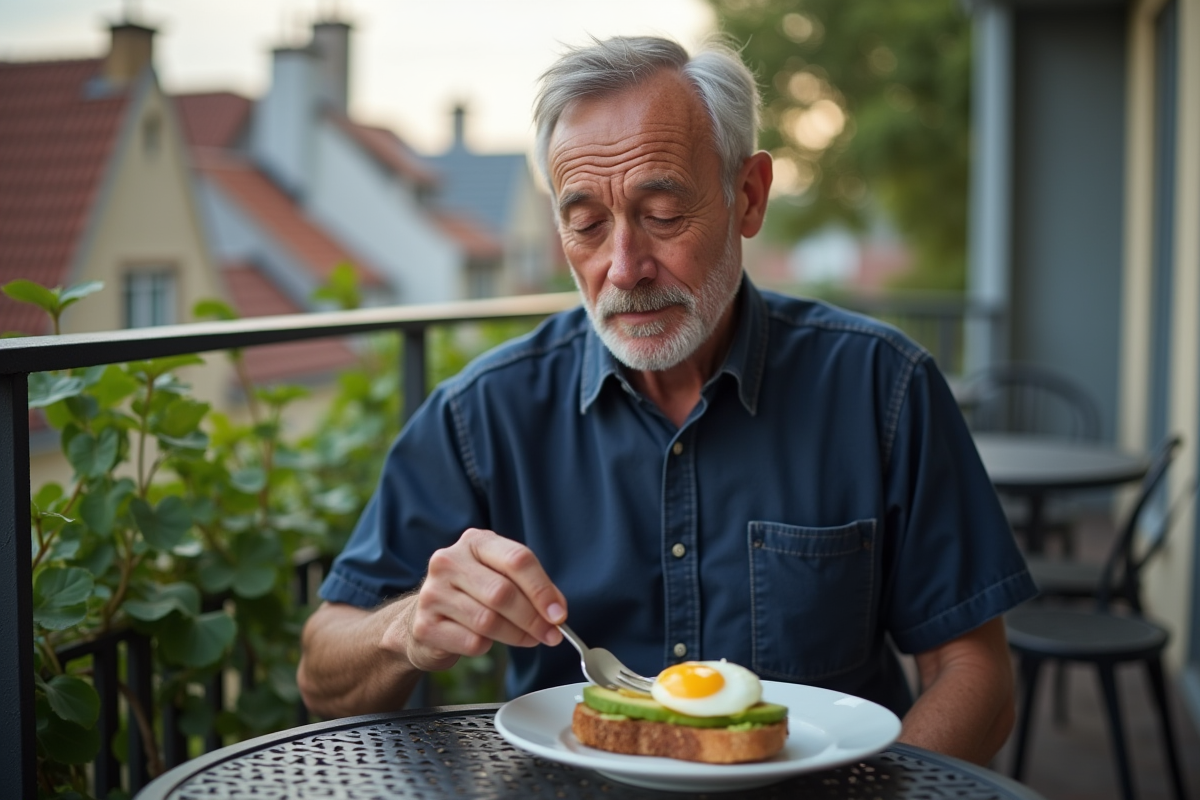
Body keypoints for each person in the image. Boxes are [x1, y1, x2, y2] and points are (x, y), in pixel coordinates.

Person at [297, 35, 1036, 765]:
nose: (624, 268)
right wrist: (406, 630)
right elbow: (323, 673)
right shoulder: (484, 413)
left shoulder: (883, 386)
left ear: (748, 197)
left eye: (661, 214)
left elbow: (977, 674)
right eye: (587, 225)